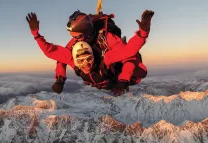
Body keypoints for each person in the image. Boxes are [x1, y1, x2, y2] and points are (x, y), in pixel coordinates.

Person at [26, 10, 154, 95]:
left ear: (86, 34)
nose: (86, 64)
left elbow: (128, 53)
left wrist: (123, 80)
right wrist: (60, 79)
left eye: (78, 36)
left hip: (114, 77)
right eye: (80, 61)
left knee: (140, 70)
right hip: (101, 81)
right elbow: (55, 54)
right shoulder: (74, 48)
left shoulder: (107, 48)